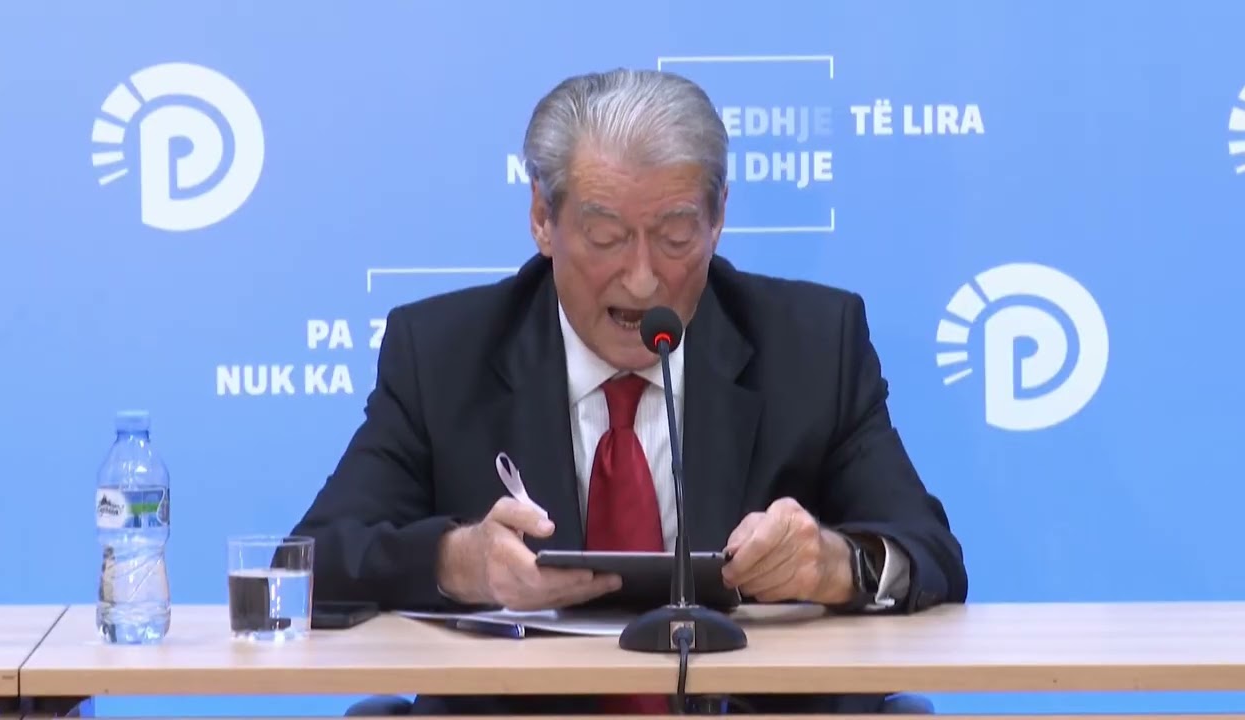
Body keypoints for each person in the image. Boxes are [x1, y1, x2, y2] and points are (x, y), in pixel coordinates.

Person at [291, 68, 967, 716]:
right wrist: (459, 563)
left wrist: (836, 565)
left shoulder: (814, 346)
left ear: (718, 220)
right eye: (606, 236)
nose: (642, 280)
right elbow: (311, 566)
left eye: (675, 237)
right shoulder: (442, 354)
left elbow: (930, 554)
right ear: (542, 217)